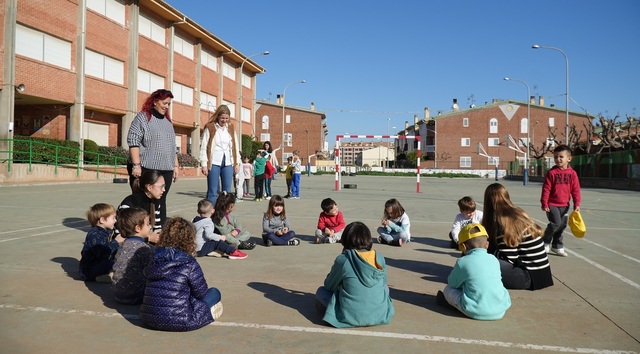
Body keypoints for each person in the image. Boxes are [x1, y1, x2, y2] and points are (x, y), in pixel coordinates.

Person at [139, 217, 224, 331]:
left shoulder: (154, 257)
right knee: (214, 292)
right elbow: (201, 294)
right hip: (182, 320)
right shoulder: (189, 262)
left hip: (148, 318)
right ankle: (209, 311)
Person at [315, 222, 394, 328]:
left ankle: (343, 313)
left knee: (321, 292)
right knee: (385, 288)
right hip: (380, 315)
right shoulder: (379, 257)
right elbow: (384, 282)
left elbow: (329, 285)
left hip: (349, 315)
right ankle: (373, 309)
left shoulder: (344, 259)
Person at [482, 183, 554, 290]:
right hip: (541, 275)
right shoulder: (518, 214)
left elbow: (508, 259)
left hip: (527, 277)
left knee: (480, 263)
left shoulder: (504, 223)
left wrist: (485, 252)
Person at [436, 223, 511, 320]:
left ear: (463, 246)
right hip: (500, 311)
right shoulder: (494, 259)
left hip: (475, 311)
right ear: (487, 244)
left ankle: (456, 306)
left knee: (448, 289)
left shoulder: (462, 262)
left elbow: (452, 283)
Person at [126, 89, 179, 225]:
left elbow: (172, 146)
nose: (167, 106)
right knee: (142, 201)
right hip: (146, 168)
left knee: (161, 200)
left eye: (169, 104)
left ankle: (159, 231)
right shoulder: (143, 117)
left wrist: (176, 165)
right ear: (155, 101)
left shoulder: (168, 122)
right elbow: (133, 141)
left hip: (166, 168)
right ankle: (139, 230)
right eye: (164, 103)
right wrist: (136, 166)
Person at [541, 144, 581, 257]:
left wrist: (576, 204)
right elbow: (546, 189)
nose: (558, 159)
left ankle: (557, 246)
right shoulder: (552, 173)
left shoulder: (572, 174)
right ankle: (545, 241)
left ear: (569, 158)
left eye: (561, 157)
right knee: (555, 224)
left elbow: (576, 190)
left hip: (565, 205)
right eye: (555, 157)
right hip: (552, 204)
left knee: (562, 226)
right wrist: (544, 203)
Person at [112, 207, 154, 305]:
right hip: (135, 295)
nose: (151, 226)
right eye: (148, 224)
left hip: (118, 294)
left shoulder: (122, 244)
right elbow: (153, 269)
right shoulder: (142, 248)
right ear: (137, 228)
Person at [199, 105, 241, 203]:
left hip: (228, 162)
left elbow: (235, 146)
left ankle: (224, 214)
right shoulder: (210, 127)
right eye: (222, 118)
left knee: (227, 192)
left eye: (226, 118)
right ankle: (210, 214)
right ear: (217, 116)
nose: (224, 120)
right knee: (213, 191)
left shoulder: (230, 127)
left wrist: (237, 163)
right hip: (214, 162)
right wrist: (204, 164)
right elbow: (204, 147)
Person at [79, 203, 124, 282]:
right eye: (113, 218)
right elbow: (102, 253)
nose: (115, 220)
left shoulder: (106, 232)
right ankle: (99, 276)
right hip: (89, 270)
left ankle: (102, 277)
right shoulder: (95, 234)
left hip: (97, 265)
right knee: (109, 263)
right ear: (102, 220)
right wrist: (116, 242)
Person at [118, 169, 165, 239]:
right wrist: (149, 238)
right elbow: (123, 234)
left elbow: (157, 227)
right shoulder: (130, 203)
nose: (164, 190)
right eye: (161, 187)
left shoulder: (156, 202)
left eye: (164, 186)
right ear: (149, 187)